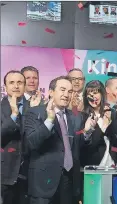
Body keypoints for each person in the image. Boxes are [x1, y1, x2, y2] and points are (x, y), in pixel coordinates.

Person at [24, 76, 95, 204]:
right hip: (43, 183)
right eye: (62, 90)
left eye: (69, 91)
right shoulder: (35, 113)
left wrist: (87, 133)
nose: (66, 95)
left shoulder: (75, 116)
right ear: (51, 92)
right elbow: (32, 142)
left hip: (69, 181)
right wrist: (50, 120)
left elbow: (77, 147)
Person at [1, 71, 30, 204]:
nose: (16, 86)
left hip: (31, 175)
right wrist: (13, 115)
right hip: (5, 175)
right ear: (5, 87)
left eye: (20, 82)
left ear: (25, 86)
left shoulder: (35, 108)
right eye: (11, 83)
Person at [80, 80, 117, 167]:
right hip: (93, 164)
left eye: (95, 93)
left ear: (102, 95)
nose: (92, 96)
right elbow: (88, 146)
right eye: (89, 94)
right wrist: (103, 128)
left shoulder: (112, 113)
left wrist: (110, 126)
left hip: (112, 163)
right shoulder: (83, 116)